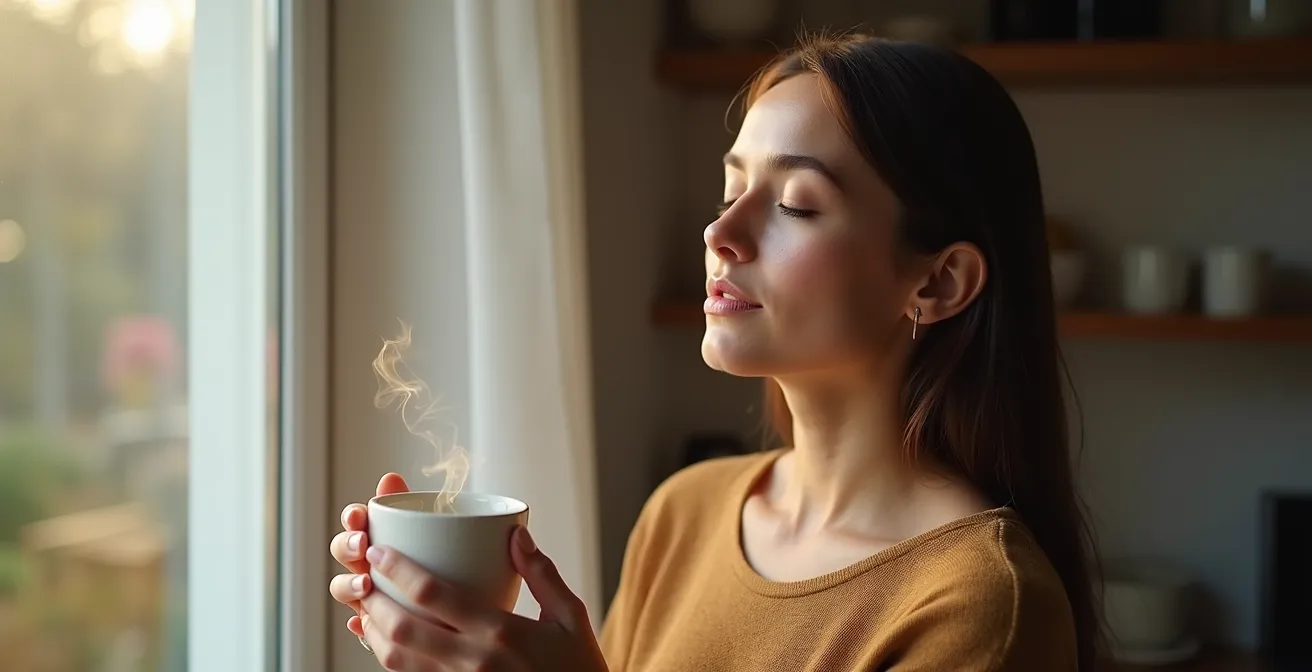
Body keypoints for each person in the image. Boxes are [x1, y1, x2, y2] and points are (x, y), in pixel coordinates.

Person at [329, 32, 1101, 671]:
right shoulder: (684, 513)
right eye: (731, 189)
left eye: (796, 204)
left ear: (939, 281)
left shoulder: (981, 605)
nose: (719, 234)